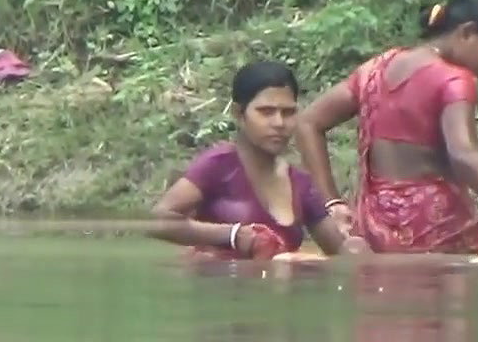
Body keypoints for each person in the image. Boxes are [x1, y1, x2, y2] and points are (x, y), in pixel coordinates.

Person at [294, 0, 478, 255]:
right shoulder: (454, 79)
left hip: (374, 228)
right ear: (466, 32)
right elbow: (464, 155)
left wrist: (333, 202)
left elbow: (308, 123)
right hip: (435, 229)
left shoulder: (376, 68)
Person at [147, 60, 367, 260]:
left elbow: (340, 254)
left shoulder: (301, 184)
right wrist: (232, 235)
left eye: (288, 113)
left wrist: (358, 250)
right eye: (266, 112)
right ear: (238, 114)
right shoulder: (219, 166)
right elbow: (157, 222)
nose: (279, 123)